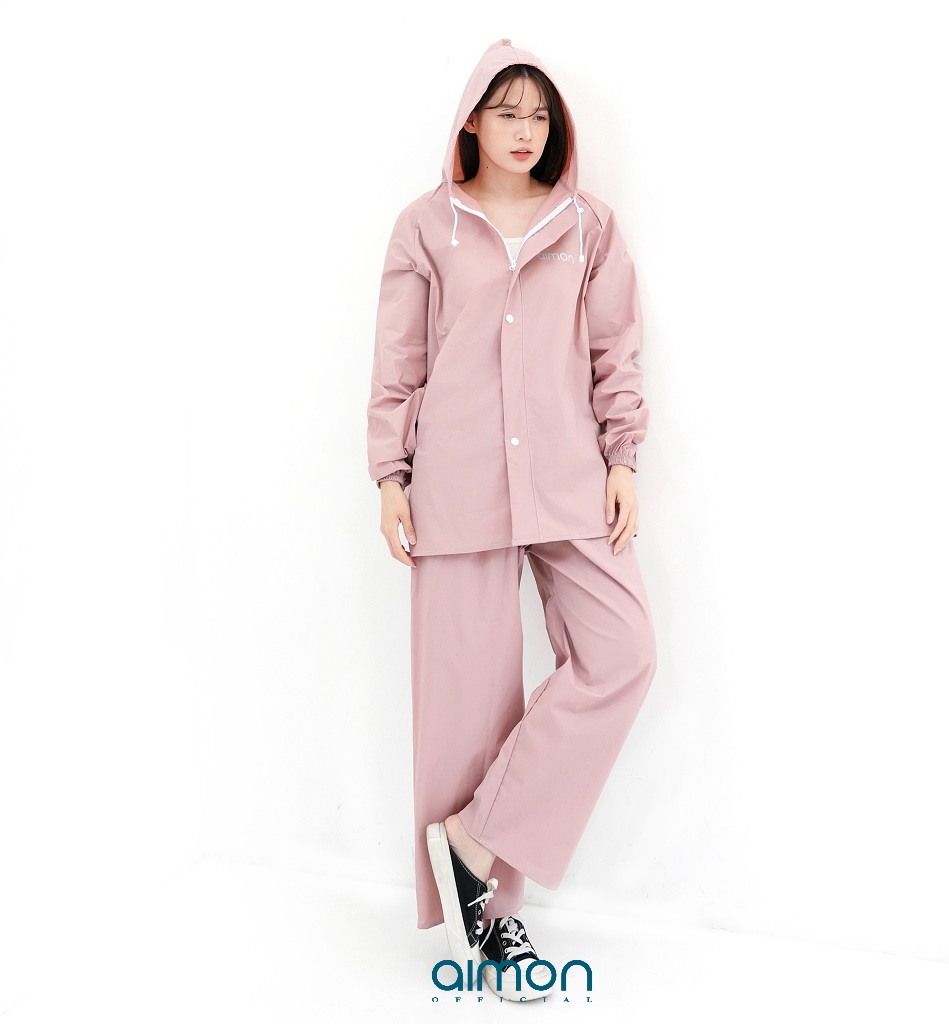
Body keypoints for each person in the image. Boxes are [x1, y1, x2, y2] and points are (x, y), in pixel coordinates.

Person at [366, 38, 657, 998]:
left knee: (623, 653)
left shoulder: (589, 226)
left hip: (570, 478)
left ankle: (475, 838)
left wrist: (623, 457)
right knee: (468, 710)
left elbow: (615, 350)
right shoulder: (425, 227)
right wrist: (391, 475)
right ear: (472, 122)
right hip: (456, 484)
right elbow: (399, 361)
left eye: (538, 114)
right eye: (507, 113)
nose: (524, 130)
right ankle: (491, 924)